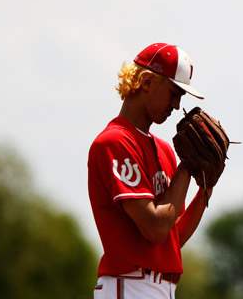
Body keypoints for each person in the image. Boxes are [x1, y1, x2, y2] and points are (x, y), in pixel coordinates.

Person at [88, 43, 211, 299]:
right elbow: (155, 228)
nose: (177, 105)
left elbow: (173, 236)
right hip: (129, 284)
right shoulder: (115, 142)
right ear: (146, 82)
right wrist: (186, 167)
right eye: (174, 93)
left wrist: (205, 190)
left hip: (162, 288)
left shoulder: (165, 150)